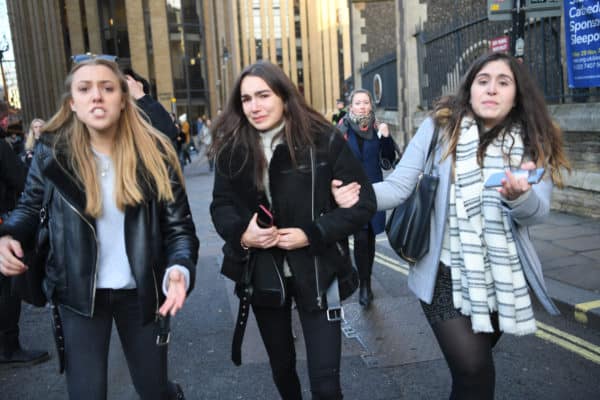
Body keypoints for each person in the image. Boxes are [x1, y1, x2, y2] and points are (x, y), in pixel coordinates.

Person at [332, 52, 571, 400]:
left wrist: (519, 197)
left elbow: (537, 213)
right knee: (474, 370)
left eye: (503, 82)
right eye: (482, 80)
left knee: (470, 373)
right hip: (444, 273)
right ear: (469, 89)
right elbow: (399, 186)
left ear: (516, 94)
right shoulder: (440, 129)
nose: (491, 89)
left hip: (500, 279)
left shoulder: (533, 139)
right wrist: (355, 195)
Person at [0, 57, 198, 399]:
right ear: (72, 104)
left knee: (154, 389)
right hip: (77, 292)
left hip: (141, 292)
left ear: (123, 99)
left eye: (107, 88)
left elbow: (180, 230)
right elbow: (29, 208)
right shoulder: (51, 154)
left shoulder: (154, 154)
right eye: (85, 89)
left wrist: (179, 269)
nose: (97, 96)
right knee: (87, 392)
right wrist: (9, 235)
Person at [209, 60, 376, 400]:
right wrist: (243, 233)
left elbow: (364, 204)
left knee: (327, 385)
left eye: (263, 95)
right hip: (263, 274)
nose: (254, 106)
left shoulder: (322, 139)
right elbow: (221, 205)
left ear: (284, 95)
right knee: (283, 370)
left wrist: (312, 232)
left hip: (318, 269)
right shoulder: (233, 147)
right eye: (246, 99)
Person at [0, 101, 50, 367]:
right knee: (8, 288)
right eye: (5, 117)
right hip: (4, 218)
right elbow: (21, 182)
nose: (8, 122)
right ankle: (9, 347)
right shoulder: (4, 147)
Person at [337, 89, 396, 308]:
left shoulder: (376, 129)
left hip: (374, 192)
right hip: (351, 194)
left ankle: (366, 281)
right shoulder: (342, 130)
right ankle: (363, 285)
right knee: (360, 239)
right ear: (350, 107)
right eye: (358, 102)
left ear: (371, 106)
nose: (362, 106)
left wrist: (387, 137)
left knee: (369, 239)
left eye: (366, 102)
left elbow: (388, 160)